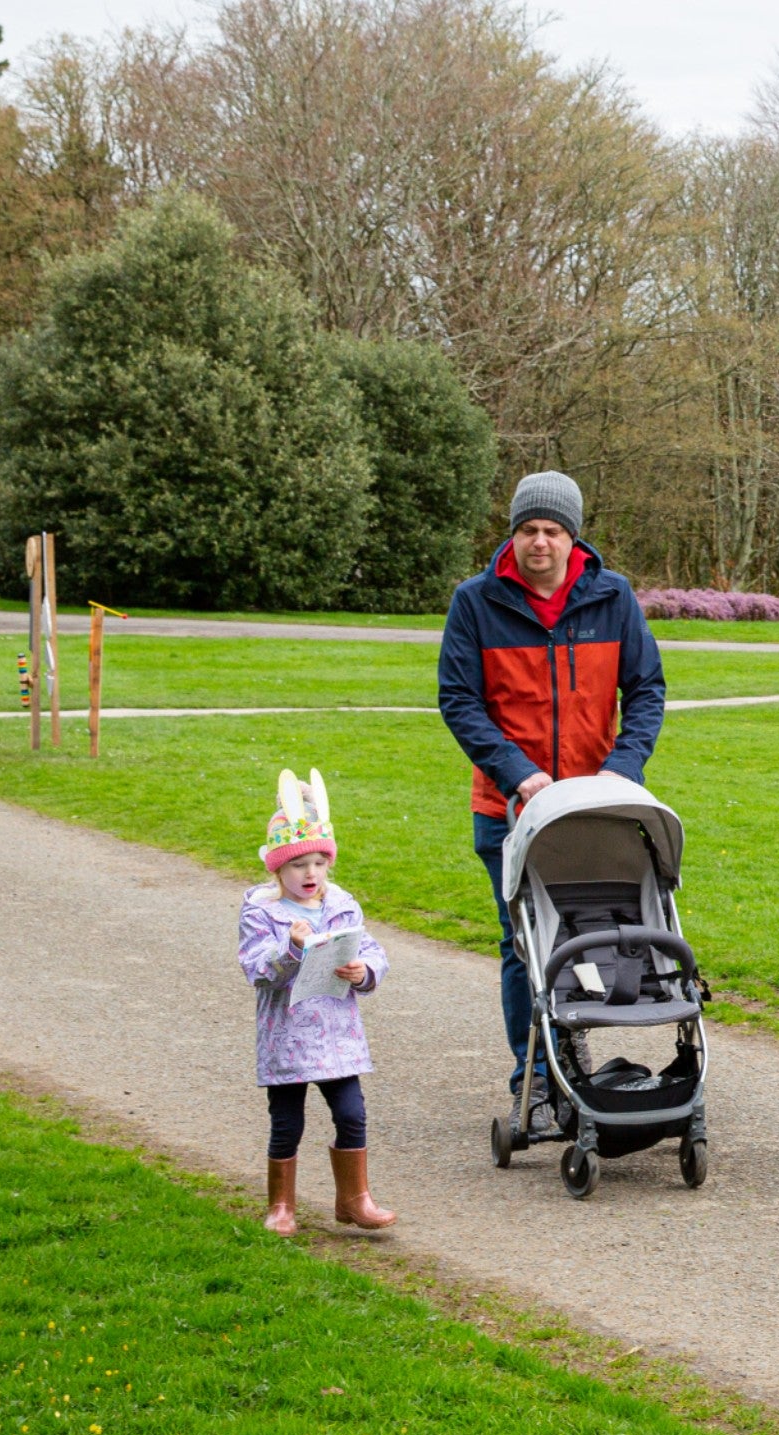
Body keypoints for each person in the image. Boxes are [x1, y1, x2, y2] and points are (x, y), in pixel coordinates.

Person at [438, 471, 666, 1099]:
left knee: (593, 929)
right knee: (523, 944)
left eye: (553, 531)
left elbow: (645, 689)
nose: (540, 542)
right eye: (528, 530)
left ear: (573, 537)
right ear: (513, 535)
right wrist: (517, 774)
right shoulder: (476, 602)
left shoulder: (613, 598)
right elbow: (459, 701)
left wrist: (623, 767)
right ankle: (535, 1074)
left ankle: (572, 1039)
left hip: (596, 806)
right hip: (510, 809)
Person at [238, 768, 395, 1235]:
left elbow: (372, 951)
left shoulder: (342, 903)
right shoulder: (262, 911)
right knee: (287, 1120)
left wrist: (362, 971)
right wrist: (290, 946)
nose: (309, 874)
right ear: (277, 868)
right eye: (297, 865)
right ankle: (281, 1205)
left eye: (318, 864)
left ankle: (354, 1198)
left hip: (337, 1033)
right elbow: (256, 969)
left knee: (351, 1112)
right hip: (287, 1035)